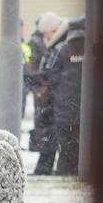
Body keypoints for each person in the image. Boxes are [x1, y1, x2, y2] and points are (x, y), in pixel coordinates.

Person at [42, 15, 86, 175]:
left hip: (65, 110)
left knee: (66, 148)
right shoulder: (95, 48)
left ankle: (65, 173)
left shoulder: (62, 49)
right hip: (89, 111)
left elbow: (51, 78)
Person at [27, 10, 63, 172]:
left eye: (46, 34)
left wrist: (37, 79)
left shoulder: (58, 48)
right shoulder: (52, 47)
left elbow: (52, 75)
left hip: (52, 98)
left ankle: (45, 167)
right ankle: (44, 167)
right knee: (47, 132)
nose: (45, 37)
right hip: (48, 97)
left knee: (49, 133)